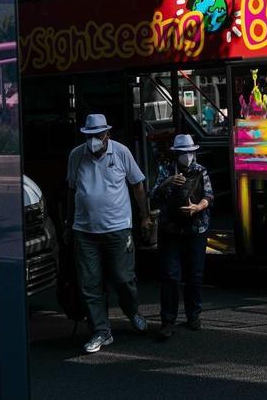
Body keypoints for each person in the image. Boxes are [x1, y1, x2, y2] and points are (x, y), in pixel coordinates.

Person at [64, 114, 154, 354]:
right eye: (90, 136)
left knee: (123, 278)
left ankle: (132, 311)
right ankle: (101, 331)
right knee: (90, 284)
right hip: (85, 231)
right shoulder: (76, 156)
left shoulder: (121, 152)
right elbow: (72, 191)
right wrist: (69, 223)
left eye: (98, 135)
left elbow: (137, 185)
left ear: (107, 135)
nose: (94, 140)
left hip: (118, 228)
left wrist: (144, 216)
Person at [149, 134, 214, 341]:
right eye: (183, 153)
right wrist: (167, 183)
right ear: (176, 154)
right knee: (170, 275)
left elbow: (209, 196)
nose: (187, 156)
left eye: (190, 152)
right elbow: (154, 197)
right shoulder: (166, 170)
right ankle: (168, 320)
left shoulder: (201, 170)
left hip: (196, 228)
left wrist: (198, 207)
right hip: (170, 229)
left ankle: (194, 315)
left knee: (194, 274)